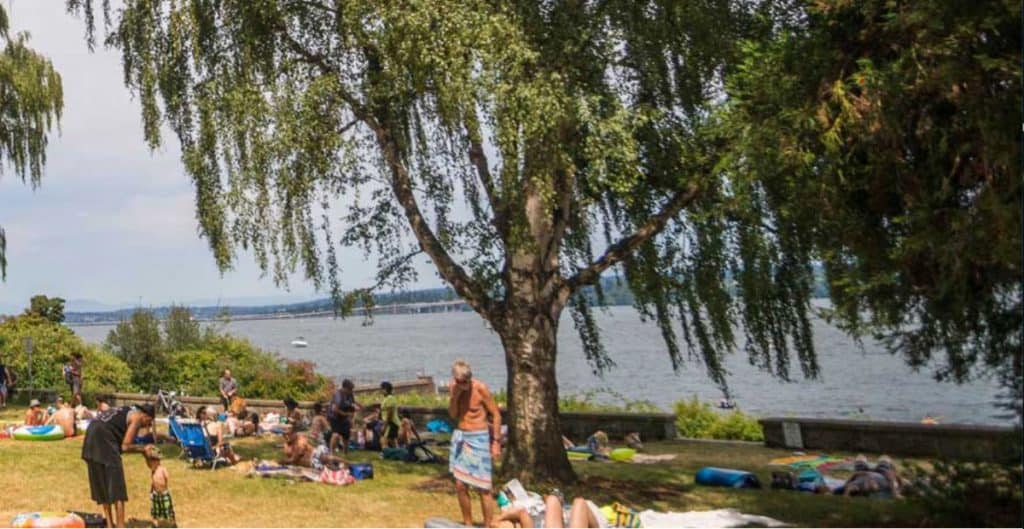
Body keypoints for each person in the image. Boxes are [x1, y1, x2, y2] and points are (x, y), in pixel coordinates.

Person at [81, 403, 156, 528]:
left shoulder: (124, 409)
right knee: (117, 487)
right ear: (146, 416)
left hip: (91, 434)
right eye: (149, 422)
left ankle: (110, 525)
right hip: (104, 437)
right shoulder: (137, 418)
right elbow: (125, 446)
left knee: (102, 485)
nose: (147, 425)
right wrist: (144, 449)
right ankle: (120, 526)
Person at [448, 360, 502, 527]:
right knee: (460, 484)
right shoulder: (454, 388)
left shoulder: (480, 388)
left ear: (469, 378)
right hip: (462, 435)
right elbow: (453, 414)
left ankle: (487, 524)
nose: (461, 384)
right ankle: (468, 523)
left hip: (479, 436)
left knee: (483, 487)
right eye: (458, 381)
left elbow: (496, 415)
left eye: (464, 381)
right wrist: (455, 396)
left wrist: (496, 442)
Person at [280, 426, 345, 470]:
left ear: (294, 434)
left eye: (289, 434)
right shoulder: (287, 444)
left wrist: (283, 461)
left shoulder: (300, 442)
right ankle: (338, 467)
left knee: (325, 458)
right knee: (327, 467)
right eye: (284, 434)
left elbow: (294, 459)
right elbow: (290, 458)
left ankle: (347, 464)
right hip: (312, 463)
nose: (287, 436)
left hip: (315, 455)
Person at [144, 446, 176, 528]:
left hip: (163, 493)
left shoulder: (162, 469)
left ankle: (172, 522)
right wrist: (151, 490)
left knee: (167, 508)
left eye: (154, 461)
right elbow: (153, 482)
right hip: (155, 494)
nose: (152, 463)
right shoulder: (153, 471)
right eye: (151, 462)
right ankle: (155, 523)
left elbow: (167, 478)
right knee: (155, 510)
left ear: (158, 461)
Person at [329, 379, 360, 456]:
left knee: (346, 435)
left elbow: (352, 403)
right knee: (336, 435)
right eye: (350, 389)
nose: (351, 391)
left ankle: (345, 453)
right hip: (335, 417)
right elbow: (334, 409)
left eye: (352, 389)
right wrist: (346, 414)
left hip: (344, 417)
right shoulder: (338, 395)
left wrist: (359, 406)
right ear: (345, 388)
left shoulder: (350, 394)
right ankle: (332, 453)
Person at [379, 381, 402, 448]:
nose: (381, 391)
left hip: (391, 423)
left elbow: (390, 414)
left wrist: (385, 426)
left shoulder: (390, 398)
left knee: (384, 440)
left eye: (382, 389)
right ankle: (398, 453)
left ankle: (385, 453)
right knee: (393, 441)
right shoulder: (386, 398)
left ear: (385, 389)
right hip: (391, 423)